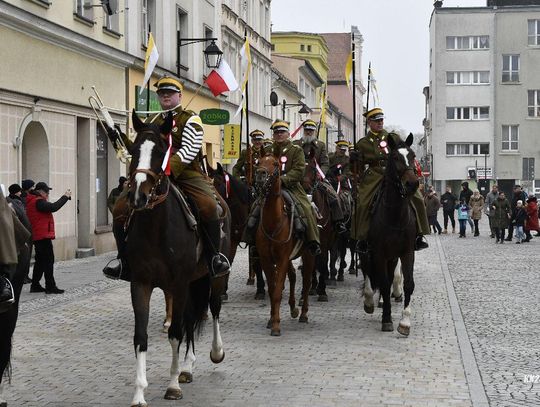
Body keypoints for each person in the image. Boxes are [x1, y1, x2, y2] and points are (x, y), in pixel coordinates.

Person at [103, 76, 230, 280]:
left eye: (169, 93)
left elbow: (190, 149)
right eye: (162, 94)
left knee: (208, 205)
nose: (165, 97)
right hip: (154, 175)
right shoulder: (152, 121)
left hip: (186, 173)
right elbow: (139, 149)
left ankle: (214, 257)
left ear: (179, 96)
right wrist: (118, 137)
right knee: (120, 206)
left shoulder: (191, 118)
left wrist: (170, 168)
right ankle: (123, 260)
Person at [350, 107, 430, 253]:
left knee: (416, 197)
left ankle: (419, 234)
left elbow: (403, 151)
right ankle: (362, 238)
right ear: (369, 122)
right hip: (374, 174)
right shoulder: (362, 143)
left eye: (381, 120)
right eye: (376, 120)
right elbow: (358, 170)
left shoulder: (392, 137)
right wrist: (354, 160)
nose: (380, 123)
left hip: (395, 172)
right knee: (363, 202)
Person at [243, 120, 321, 255]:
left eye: (282, 132)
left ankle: (312, 241)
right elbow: (261, 167)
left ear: (288, 134)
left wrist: (281, 181)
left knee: (306, 208)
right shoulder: (267, 150)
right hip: (269, 188)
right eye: (276, 132)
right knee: (255, 207)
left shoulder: (296, 150)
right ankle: (250, 239)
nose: (279, 135)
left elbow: (298, 170)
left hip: (291, 187)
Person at [293, 119, 346, 234]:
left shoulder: (320, 146)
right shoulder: (296, 144)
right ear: (304, 131)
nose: (308, 133)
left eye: (311, 131)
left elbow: (325, 163)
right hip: (297, 178)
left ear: (314, 131)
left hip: (316, 178)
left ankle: (338, 222)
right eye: (307, 130)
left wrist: (321, 174)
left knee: (333, 195)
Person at [26, 182, 71, 294]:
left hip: (39, 235)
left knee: (40, 261)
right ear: (40, 191)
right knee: (48, 261)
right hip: (42, 236)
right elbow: (53, 207)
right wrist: (65, 196)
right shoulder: (38, 201)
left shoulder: (35, 201)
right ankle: (50, 286)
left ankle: (35, 285)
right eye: (47, 192)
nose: (48, 194)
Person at [6, 184, 32, 284]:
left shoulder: (11, 201)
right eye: (20, 191)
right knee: (22, 260)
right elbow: (21, 217)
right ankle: (22, 277)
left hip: (20, 233)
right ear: (17, 192)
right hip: (20, 234)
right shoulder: (16, 202)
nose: (21, 193)